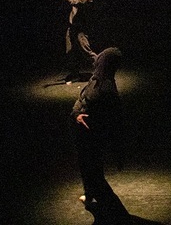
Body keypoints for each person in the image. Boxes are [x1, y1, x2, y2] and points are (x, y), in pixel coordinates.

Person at [71, 47, 127, 219]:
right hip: (84, 136)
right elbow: (80, 100)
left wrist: (118, 150)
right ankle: (90, 195)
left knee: (95, 176)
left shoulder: (107, 89)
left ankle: (119, 214)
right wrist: (77, 114)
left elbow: (115, 122)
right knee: (86, 168)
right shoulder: (95, 80)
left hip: (93, 138)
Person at [49, 0, 98, 83]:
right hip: (73, 27)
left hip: (80, 29)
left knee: (87, 51)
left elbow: (71, 1)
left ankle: (102, 69)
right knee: (70, 51)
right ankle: (74, 73)